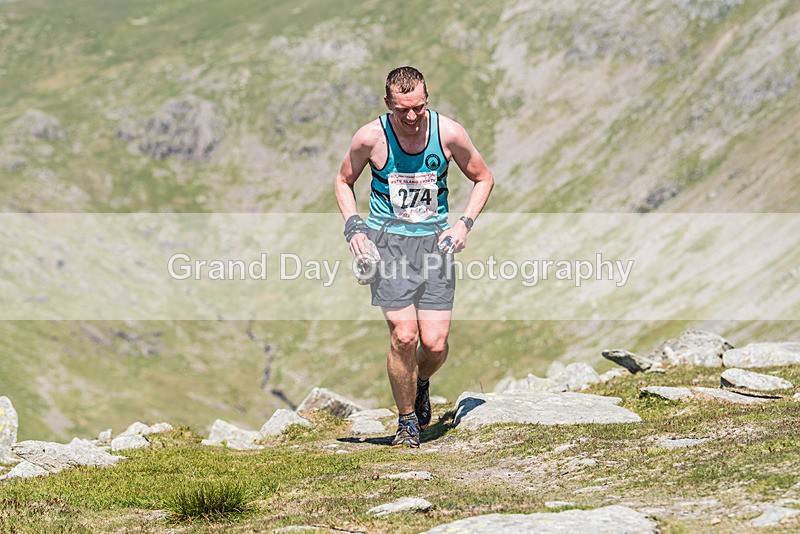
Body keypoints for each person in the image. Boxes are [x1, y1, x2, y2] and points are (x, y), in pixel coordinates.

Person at [334, 66, 494, 447]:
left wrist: (464, 224)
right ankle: (406, 422)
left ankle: (419, 381)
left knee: (435, 344)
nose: (410, 117)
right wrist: (354, 228)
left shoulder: (448, 133)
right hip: (387, 246)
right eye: (402, 109)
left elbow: (483, 177)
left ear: (427, 99)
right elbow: (343, 181)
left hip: (436, 246)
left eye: (418, 108)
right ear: (388, 102)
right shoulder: (370, 138)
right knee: (405, 336)